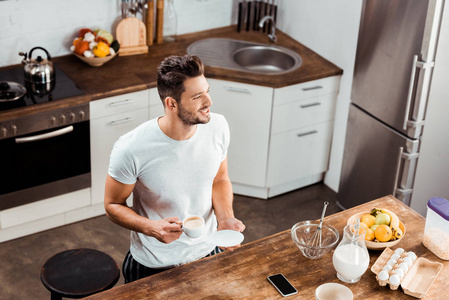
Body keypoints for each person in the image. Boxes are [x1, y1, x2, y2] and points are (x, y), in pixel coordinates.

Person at [104, 54, 246, 283]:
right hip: (153, 263)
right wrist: (151, 228)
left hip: (208, 251)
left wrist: (225, 218)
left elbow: (219, 179)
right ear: (171, 103)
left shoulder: (217, 126)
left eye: (207, 91)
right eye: (198, 96)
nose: (208, 102)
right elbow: (112, 205)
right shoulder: (131, 148)